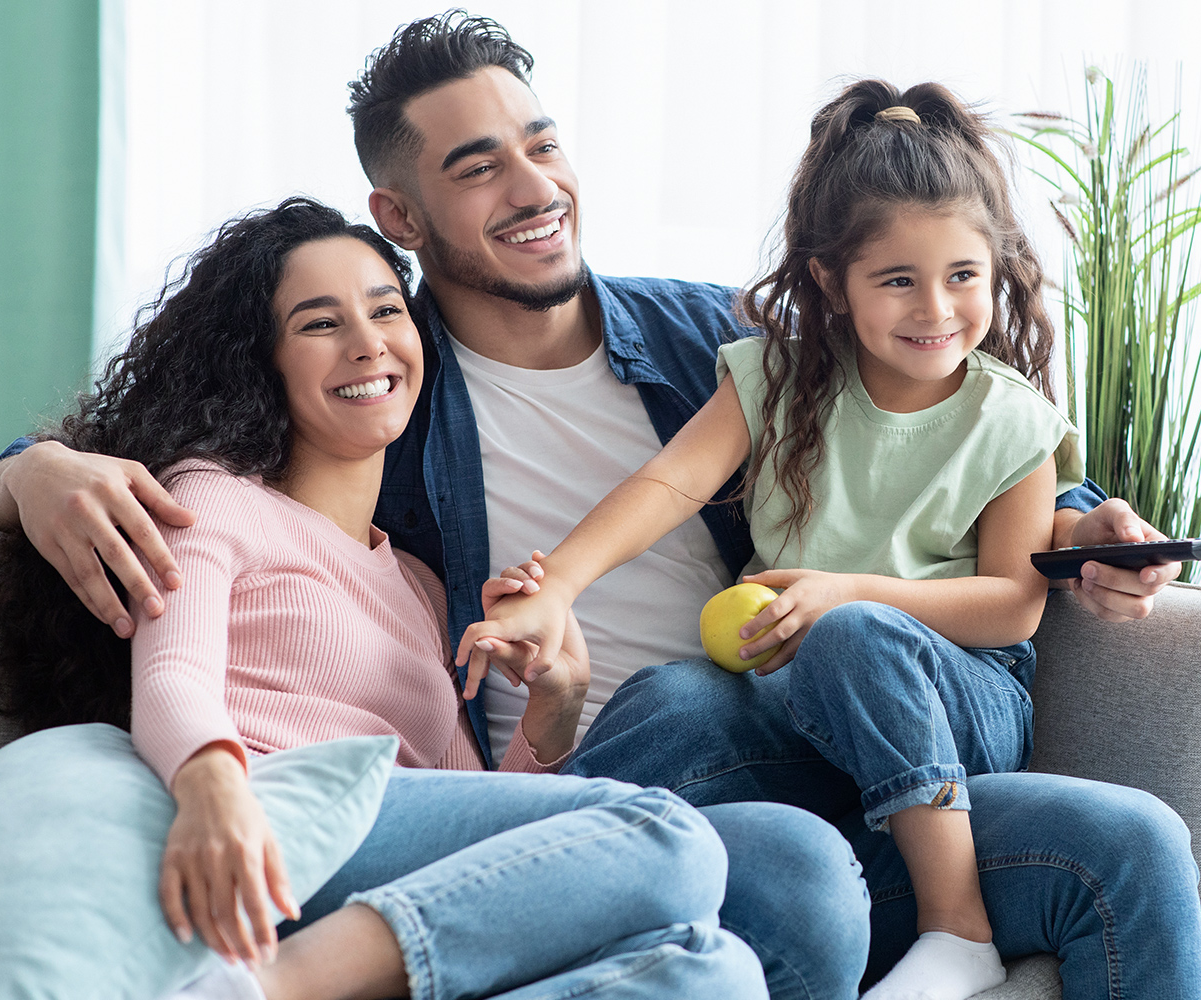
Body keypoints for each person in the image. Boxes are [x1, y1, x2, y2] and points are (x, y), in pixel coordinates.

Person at [0, 11, 1192, 999]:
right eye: (476, 163)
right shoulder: (382, 384)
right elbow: (182, 449)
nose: (529, 182)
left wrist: (1083, 527)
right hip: (615, 773)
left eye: (540, 142)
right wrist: (26, 470)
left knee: (1132, 844)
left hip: (839, 740)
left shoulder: (711, 332)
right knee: (694, 716)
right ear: (402, 217)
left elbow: (918, 414)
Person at [0, 197, 769, 1000]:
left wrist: (551, 717)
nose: (369, 345)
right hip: (272, 828)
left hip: (385, 879)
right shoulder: (210, 495)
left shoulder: (423, 588)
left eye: (386, 310)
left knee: (714, 970)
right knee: (667, 836)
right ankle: (269, 991)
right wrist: (215, 790)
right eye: (320, 325)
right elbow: (172, 673)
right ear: (262, 362)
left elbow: (492, 825)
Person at [456, 78, 1093, 1000]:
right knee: (673, 697)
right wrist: (557, 585)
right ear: (833, 281)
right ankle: (497, 877)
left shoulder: (1014, 422)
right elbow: (667, 484)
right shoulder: (781, 376)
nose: (936, 309)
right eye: (897, 281)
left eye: (964, 277)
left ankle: (960, 928)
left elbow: (1010, 609)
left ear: (997, 270)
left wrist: (848, 593)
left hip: (958, 704)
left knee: (856, 634)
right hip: (797, 704)